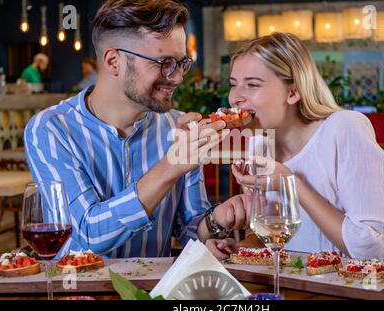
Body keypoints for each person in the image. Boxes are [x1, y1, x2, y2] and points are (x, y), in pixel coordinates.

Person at [24, 0, 250, 259]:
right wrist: (170, 166)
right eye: (164, 62)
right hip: (79, 293)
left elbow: (190, 228)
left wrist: (216, 223)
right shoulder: (52, 130)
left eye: (181, 63)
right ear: (113, 61)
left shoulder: (178, 128)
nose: (177, 77)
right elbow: (86, 235)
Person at [230, 32, 384, 260]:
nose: (235, 98)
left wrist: (292, 184)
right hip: (295, 288)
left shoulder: (345, 128)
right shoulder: (258, 145)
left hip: (355, 287)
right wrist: (236, 238)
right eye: (234, 85)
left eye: (252, 84)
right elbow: (274, 243)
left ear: (293, 92)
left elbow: (374, 250)